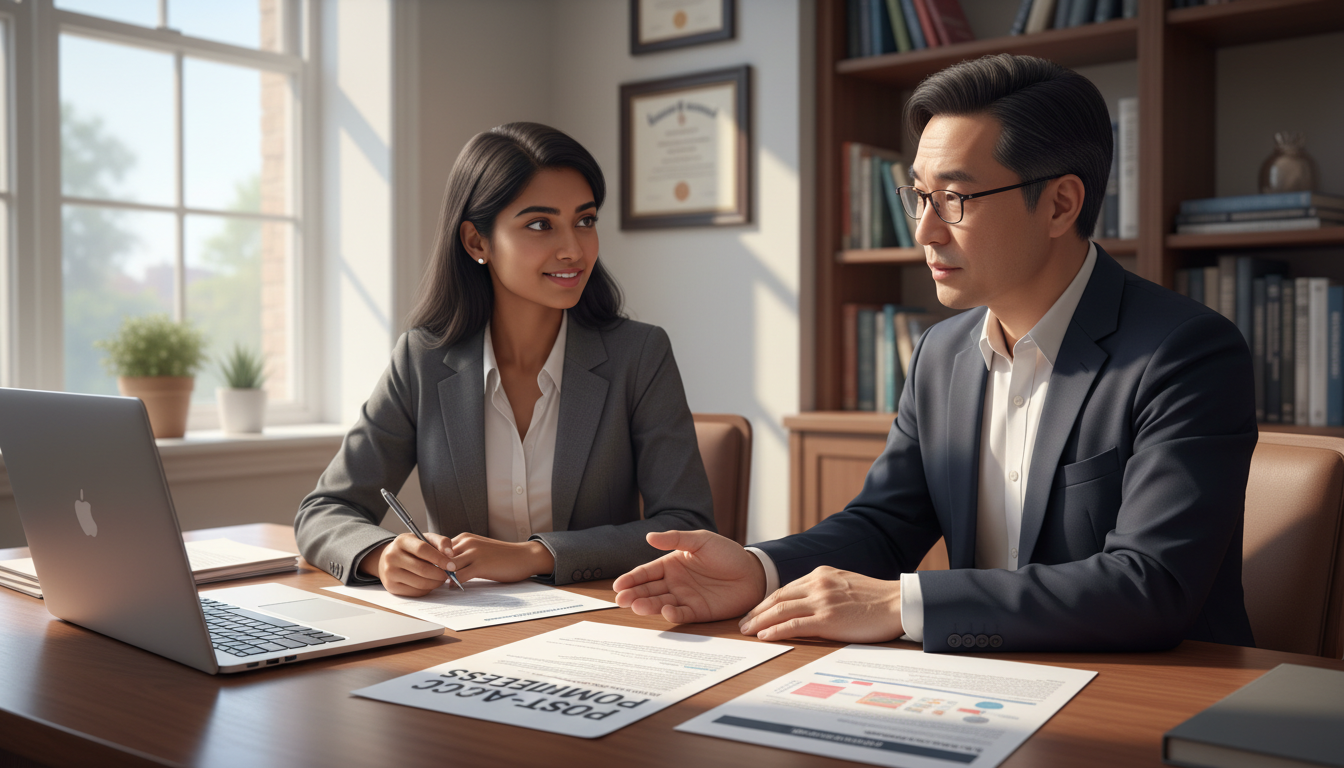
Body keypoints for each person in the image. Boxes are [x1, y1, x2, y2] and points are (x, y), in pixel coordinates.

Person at [614, 54, 1258, 653]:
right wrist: (758, 569)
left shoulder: (1184, 353)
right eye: (919, 195)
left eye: (954, 198)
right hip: (986, 681)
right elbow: (886, 524)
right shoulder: (942, 352)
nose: (924, 230)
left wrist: (904, 603)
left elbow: (1151, 585)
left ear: (1061, 204)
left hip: (1158, 693)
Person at [296, 122, 715, 596]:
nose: (574, 249)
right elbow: (323, 510)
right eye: (541, 224)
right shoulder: (422, 360)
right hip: (464, 633)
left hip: (604, 623)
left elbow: (687, 525)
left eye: (586, 220)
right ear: (477, 242)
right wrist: (379, 555)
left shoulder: (639, 355)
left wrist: (535, 554)